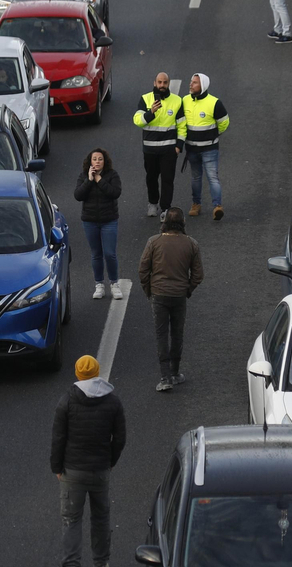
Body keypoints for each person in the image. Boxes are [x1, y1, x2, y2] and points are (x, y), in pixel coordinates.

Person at [50, 355, 127, 567]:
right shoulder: (113, 402)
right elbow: (120, 438)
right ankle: (101, 564)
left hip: (72, 471)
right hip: (100, 470)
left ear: (77, 373)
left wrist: (57, 468)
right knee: (101, 517)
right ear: (97, 372)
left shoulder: (67, 401)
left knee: (71, 520)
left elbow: (58, 438)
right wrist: (110, 461)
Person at [137, 207, 203, 392]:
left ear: (164, 222)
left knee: (161, 335)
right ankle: (175, 373)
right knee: (177, 334)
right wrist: (187, 289)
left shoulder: (153, 242)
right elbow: (198, 274)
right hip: (179, 295)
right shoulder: (191, 244)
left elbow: (143, 270)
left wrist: (148, 290)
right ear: (183, 223)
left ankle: (165, 377)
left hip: (159, 294)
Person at [176, 73, 230, 221]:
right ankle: (196, 204)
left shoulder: (214, 103)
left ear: (203, 86)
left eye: (194, 83)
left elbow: (224, 122)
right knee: (195, 177)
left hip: (209, 149)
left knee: (212, 177)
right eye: (191, 82)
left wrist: (213, 134)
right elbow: (180, 122)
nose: (191, 85)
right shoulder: (185, 100)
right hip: (192, 149)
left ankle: (217, 207)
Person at [73, 148, 123, 300]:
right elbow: (78, 195)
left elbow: (115, 193)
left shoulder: (112, 175)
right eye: (94, 159)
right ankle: (99, 284)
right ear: (90, 162)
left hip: (109, 220)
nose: (97, 162)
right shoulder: (83, 176)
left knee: (110, 253)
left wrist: (99, 180)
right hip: (90, 220)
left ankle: (114, 284)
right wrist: (89, 180)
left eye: (100, 159)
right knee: (96, 254)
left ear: (104, 161)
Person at [133, 72, 182, 217]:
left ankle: (166, 209)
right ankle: (152, 203)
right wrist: (151, 112)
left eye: (165, 83)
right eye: (159, 82)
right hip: (150, 148)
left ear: (168, 84)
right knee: (151, 178)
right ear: (155, 83)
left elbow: (182, 125)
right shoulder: (145, 99)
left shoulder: (177, 101)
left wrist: (179, 145)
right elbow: (137, 121)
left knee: (167, 179)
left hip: (169, 148)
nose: (162, 85)